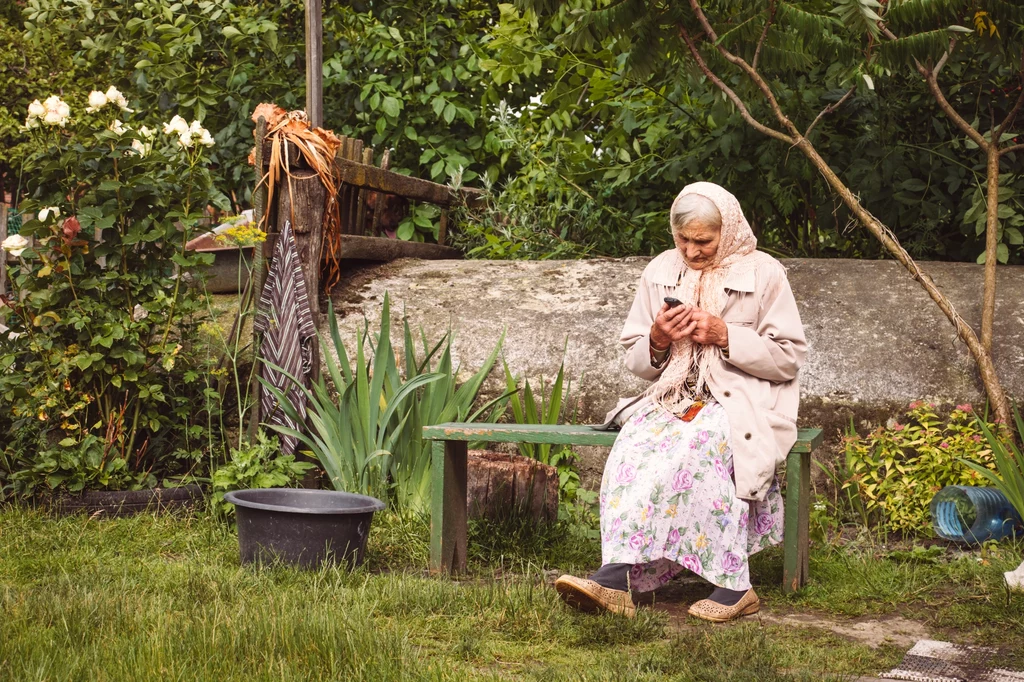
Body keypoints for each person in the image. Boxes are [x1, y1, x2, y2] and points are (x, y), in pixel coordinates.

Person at [555, 182, 807, 623]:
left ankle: (734, 585)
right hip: (672, 396)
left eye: (703, 241)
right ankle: (615, 580)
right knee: (633, 448)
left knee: (702, 448)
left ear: (726, 232)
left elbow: (789, 358)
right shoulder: (659, 270)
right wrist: (657, 338)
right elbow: (637, 357)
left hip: (738, 401)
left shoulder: (764, 273)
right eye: (682, 239)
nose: (690, 251)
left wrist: (723, 335)